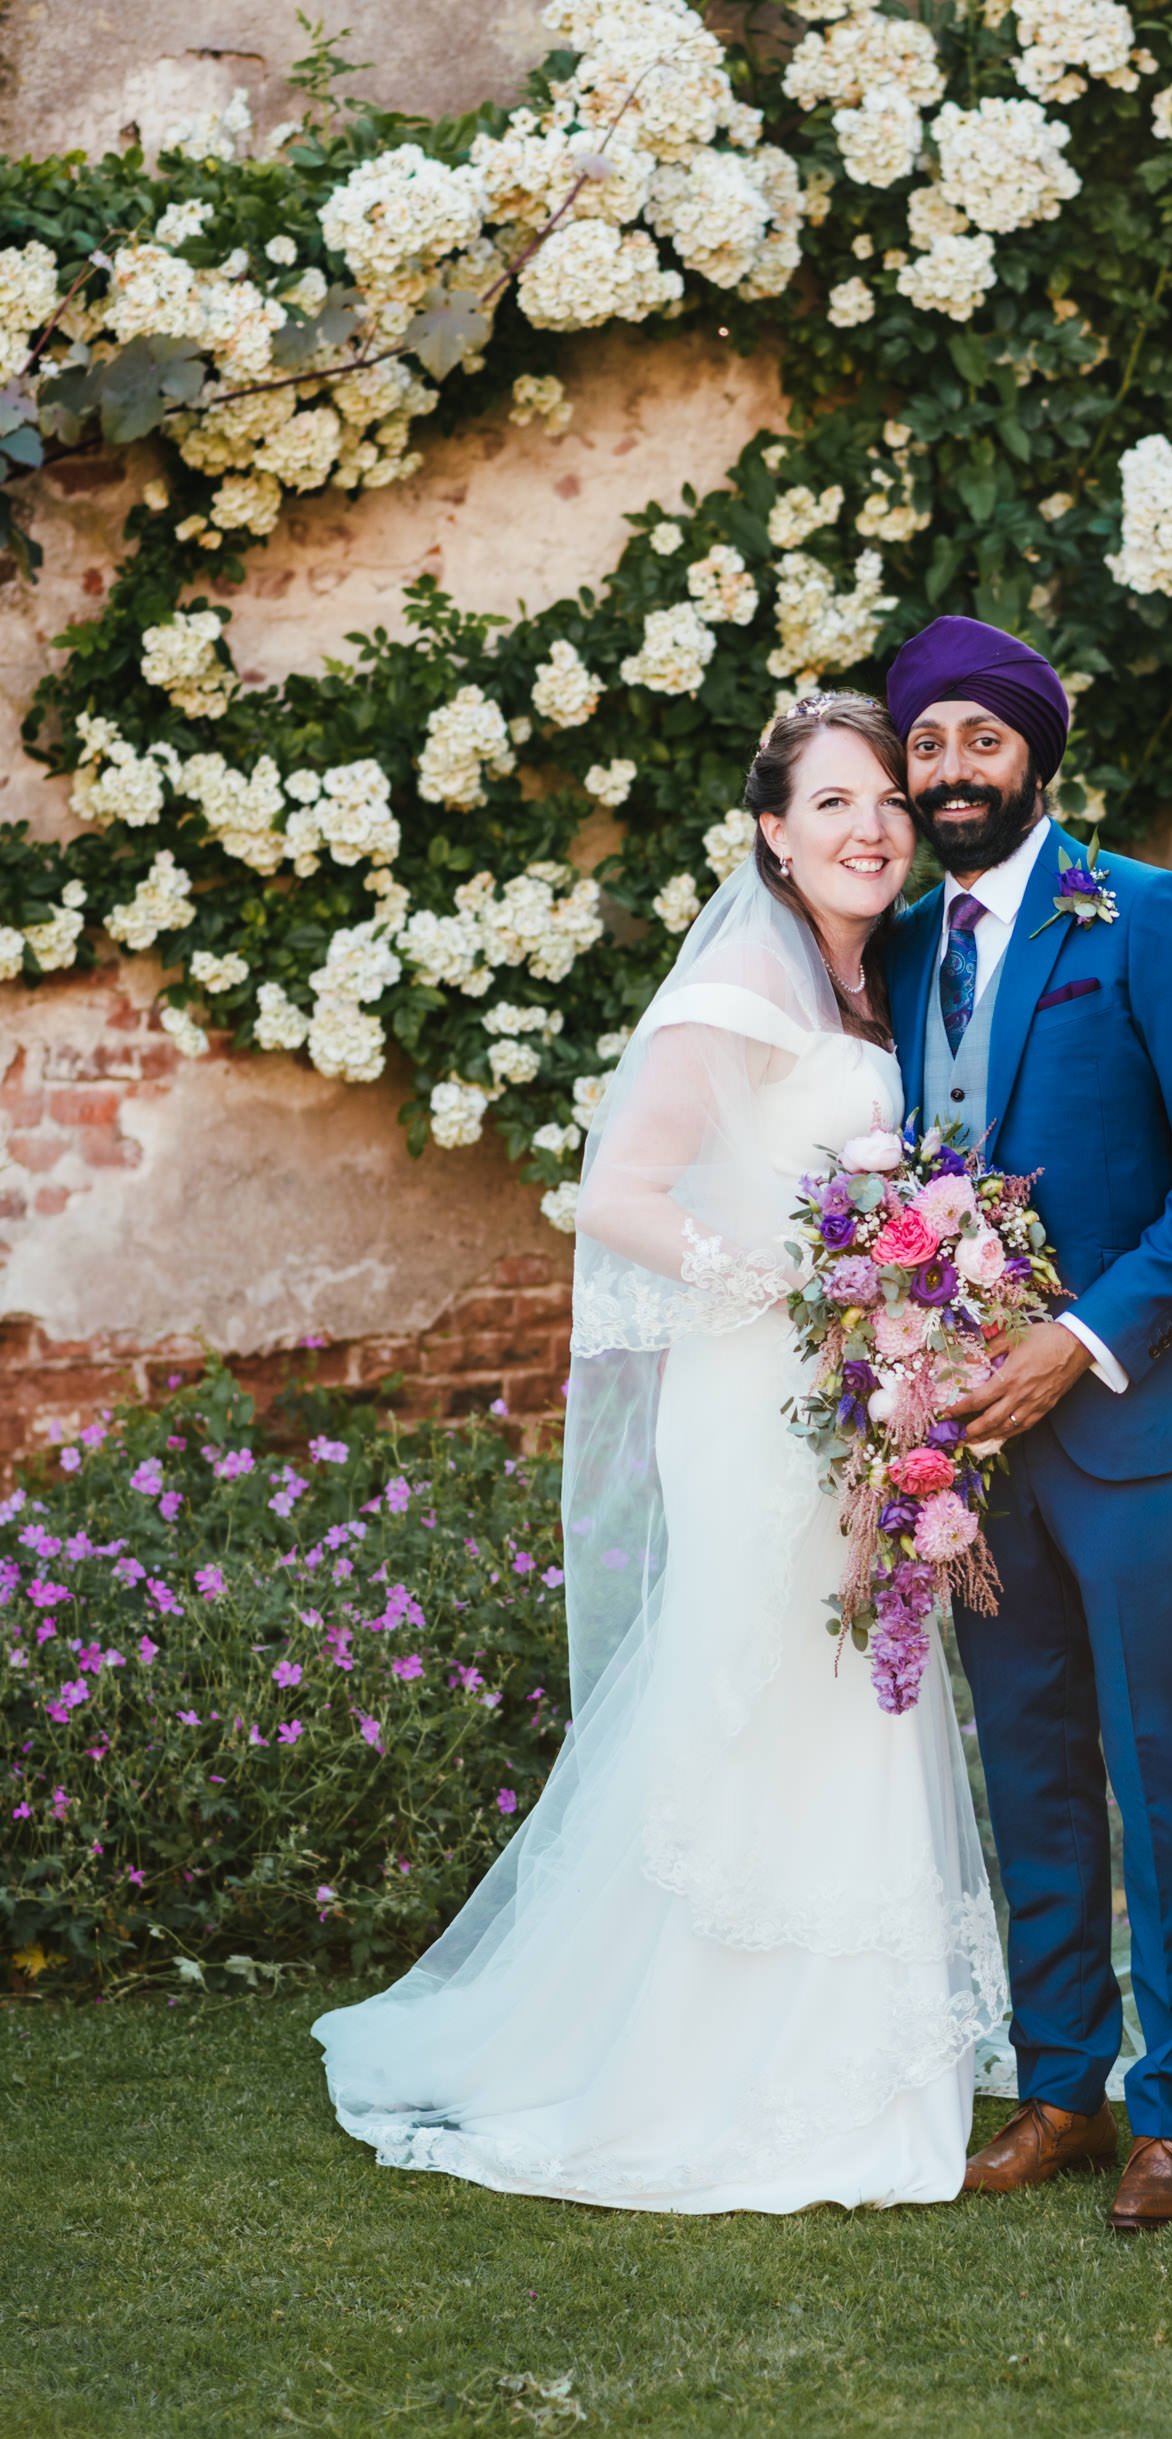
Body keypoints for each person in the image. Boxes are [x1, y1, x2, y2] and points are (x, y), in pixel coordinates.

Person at [311, 692, 1007, 2212]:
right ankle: (705, 2054)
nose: (870, 826)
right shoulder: (740, 986)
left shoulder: (872, 987)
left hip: (854, 1398)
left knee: (861, 1684)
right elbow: (619, 1193)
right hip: (761, 1397)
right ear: (771, 831)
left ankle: (866, 2048)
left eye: (886, 800)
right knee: (761, 1687)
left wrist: (899, 1309)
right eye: (830, 804)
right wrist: (799, 1288)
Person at [884, 616, 1172, 2232]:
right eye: (925, 747)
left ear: (1035, 759)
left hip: (1132, 1418)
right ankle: (1057, 2084)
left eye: (977, 744)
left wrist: (1077, 1339)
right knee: (1033, 1765)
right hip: (968, 1441)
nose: (948, 774)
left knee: (1157, 1759)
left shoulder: (1138, 913)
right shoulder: (907, 945)